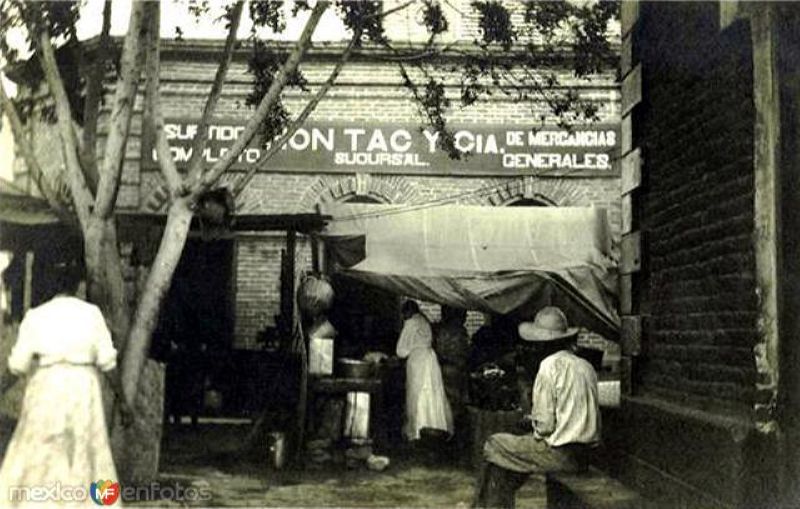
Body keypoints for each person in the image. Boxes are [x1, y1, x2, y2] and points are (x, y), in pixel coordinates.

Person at [0, 260, 132, 507]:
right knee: (84, 449)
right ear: (79, 285)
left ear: (49, 286)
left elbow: (17, 366)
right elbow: (108, 364)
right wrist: (123, 401)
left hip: (47, 388)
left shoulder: (36, 316)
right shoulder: (92, 315)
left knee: (41, 449)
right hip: (83, 390)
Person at [473, 306, 601, 509]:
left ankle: (485, 506)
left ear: (543, 343)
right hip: (586, 453)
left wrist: (529, 422)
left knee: (493, 445)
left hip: (562, 454)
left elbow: (545, 427)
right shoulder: (586, 366)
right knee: (507, 458)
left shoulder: (548, 366)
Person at [396, 300, 453, 441]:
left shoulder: (411, 323)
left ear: (407, 312)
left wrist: (407, 351)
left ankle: (417, 430)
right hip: (431, 360)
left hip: (418, 362)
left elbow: (400, 351)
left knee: (417, 394)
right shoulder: (424, 321)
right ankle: (437, 426)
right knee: (432, 394)